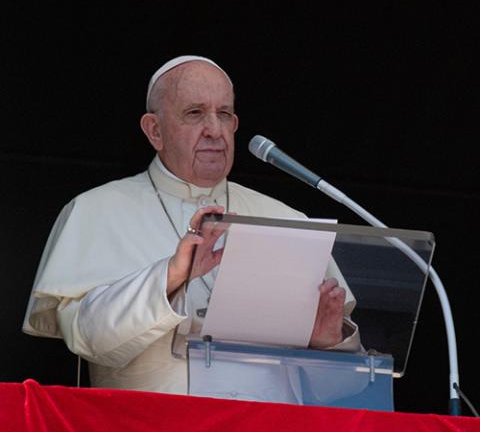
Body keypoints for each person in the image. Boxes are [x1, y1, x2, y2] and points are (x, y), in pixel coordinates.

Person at [22, 55, 360, 397]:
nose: (214, 129)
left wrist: (326, 345)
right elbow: (87, 338)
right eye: (195, 113)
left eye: (224, 114)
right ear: (155, 130)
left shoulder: (287, 220)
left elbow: (343, 388)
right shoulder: (96, 209)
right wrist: (170, 276)